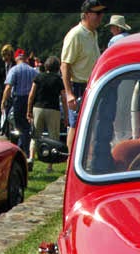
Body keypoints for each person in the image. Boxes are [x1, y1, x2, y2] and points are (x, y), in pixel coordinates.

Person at [62, 0, 105, 151]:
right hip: (79, 85)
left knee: (92, 124)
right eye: (97, 13)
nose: (101, 17)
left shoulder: (93, 33)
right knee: (75, 125)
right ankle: (70, 162)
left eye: (101, 13)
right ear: (86, 14)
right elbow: (65, 65)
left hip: (91, 85)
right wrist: (69, 93)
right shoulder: (76, 35)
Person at [1, 49, 38, 164]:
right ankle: (23, 149)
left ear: (16, 58)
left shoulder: (14, 70)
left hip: (18, 100)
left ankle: (23, 151)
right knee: (26, 126)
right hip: (31, 100)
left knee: (19, 127)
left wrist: (3, 101)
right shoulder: (33, 71)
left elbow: (8, 88)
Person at [27, 55, 65, 164]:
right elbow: (63, 97)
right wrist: (66, 115)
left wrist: (29, 110)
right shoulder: (58, 80)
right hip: (53, 109)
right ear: (57, 67)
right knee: (53, 138)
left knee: (35, 135)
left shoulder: (38, 77)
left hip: (38, 108)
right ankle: (50, 164)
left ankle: (31, 158)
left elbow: (31, 95)